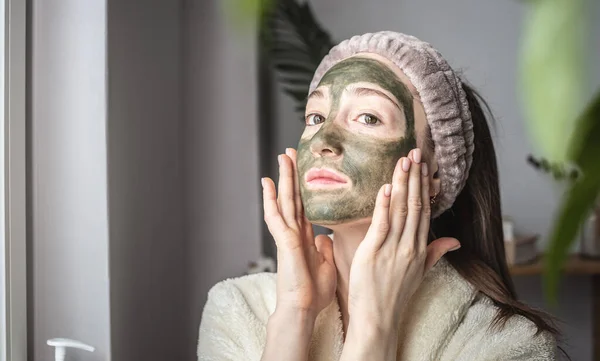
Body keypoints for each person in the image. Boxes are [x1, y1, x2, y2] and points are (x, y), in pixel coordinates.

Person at [198, 31, 562, 361]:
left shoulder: (504, 344)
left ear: (435, 170)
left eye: (368, 117)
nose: (324, 141)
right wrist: (295, 313)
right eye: (315, 117)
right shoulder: (237, 309)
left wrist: (375, 327)